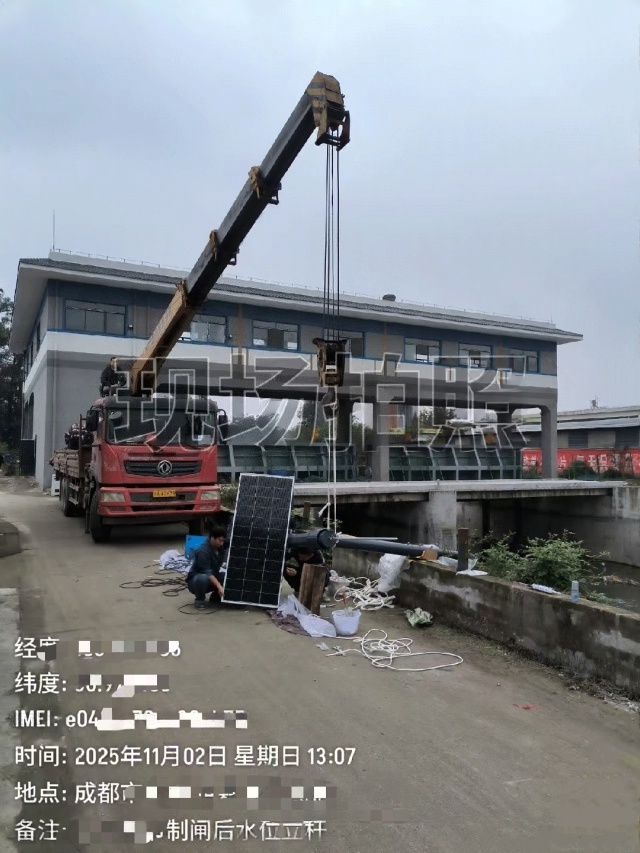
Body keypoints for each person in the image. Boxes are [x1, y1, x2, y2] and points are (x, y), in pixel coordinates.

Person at [187, 527, 227, 610]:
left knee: (225, 576)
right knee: (202, 578)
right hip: (196, 582)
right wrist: (219, 586)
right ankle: (199, 600)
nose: (222, 543)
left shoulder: (220, 547)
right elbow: (207, 573)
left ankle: (215, 597)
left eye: (223, 541)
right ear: (212, 538)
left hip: (212, 578)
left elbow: (233, 541)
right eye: (220, 540)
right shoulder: (203, 551)